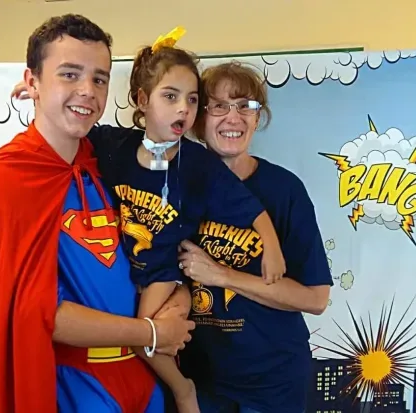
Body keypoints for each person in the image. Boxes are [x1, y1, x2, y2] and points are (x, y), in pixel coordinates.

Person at [0, 14, 196, 413]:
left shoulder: (108, 162)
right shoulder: (5, 178)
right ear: (32, 82)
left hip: (144, 378)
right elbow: (36, 313)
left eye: (100, 78)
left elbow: (160, 245)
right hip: (72, 385)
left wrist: (179, 299)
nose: (87, 91)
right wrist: (152, 331)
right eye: (69, 75)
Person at [88, 29, 286, 413]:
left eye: (192, 100)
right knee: (142, 337)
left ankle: (183, 390)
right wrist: (42, 99)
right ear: (142, 101)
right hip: (126, 272)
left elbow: (251, 208)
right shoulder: (117, 147)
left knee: (141, 335)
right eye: (170, 97)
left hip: (164, 273)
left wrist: (273, 250)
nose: (183, 109)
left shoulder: (198, 164)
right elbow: (71, 129)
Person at [176, 61, 333, 413]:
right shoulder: (177, 188)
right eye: (219, 106)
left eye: (245, 106)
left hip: (274, 381)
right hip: (201, 380)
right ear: (199, 119)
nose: (234, 117)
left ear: (257, 118)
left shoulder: (284, 190)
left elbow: (315, 298)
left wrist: (221, 275)